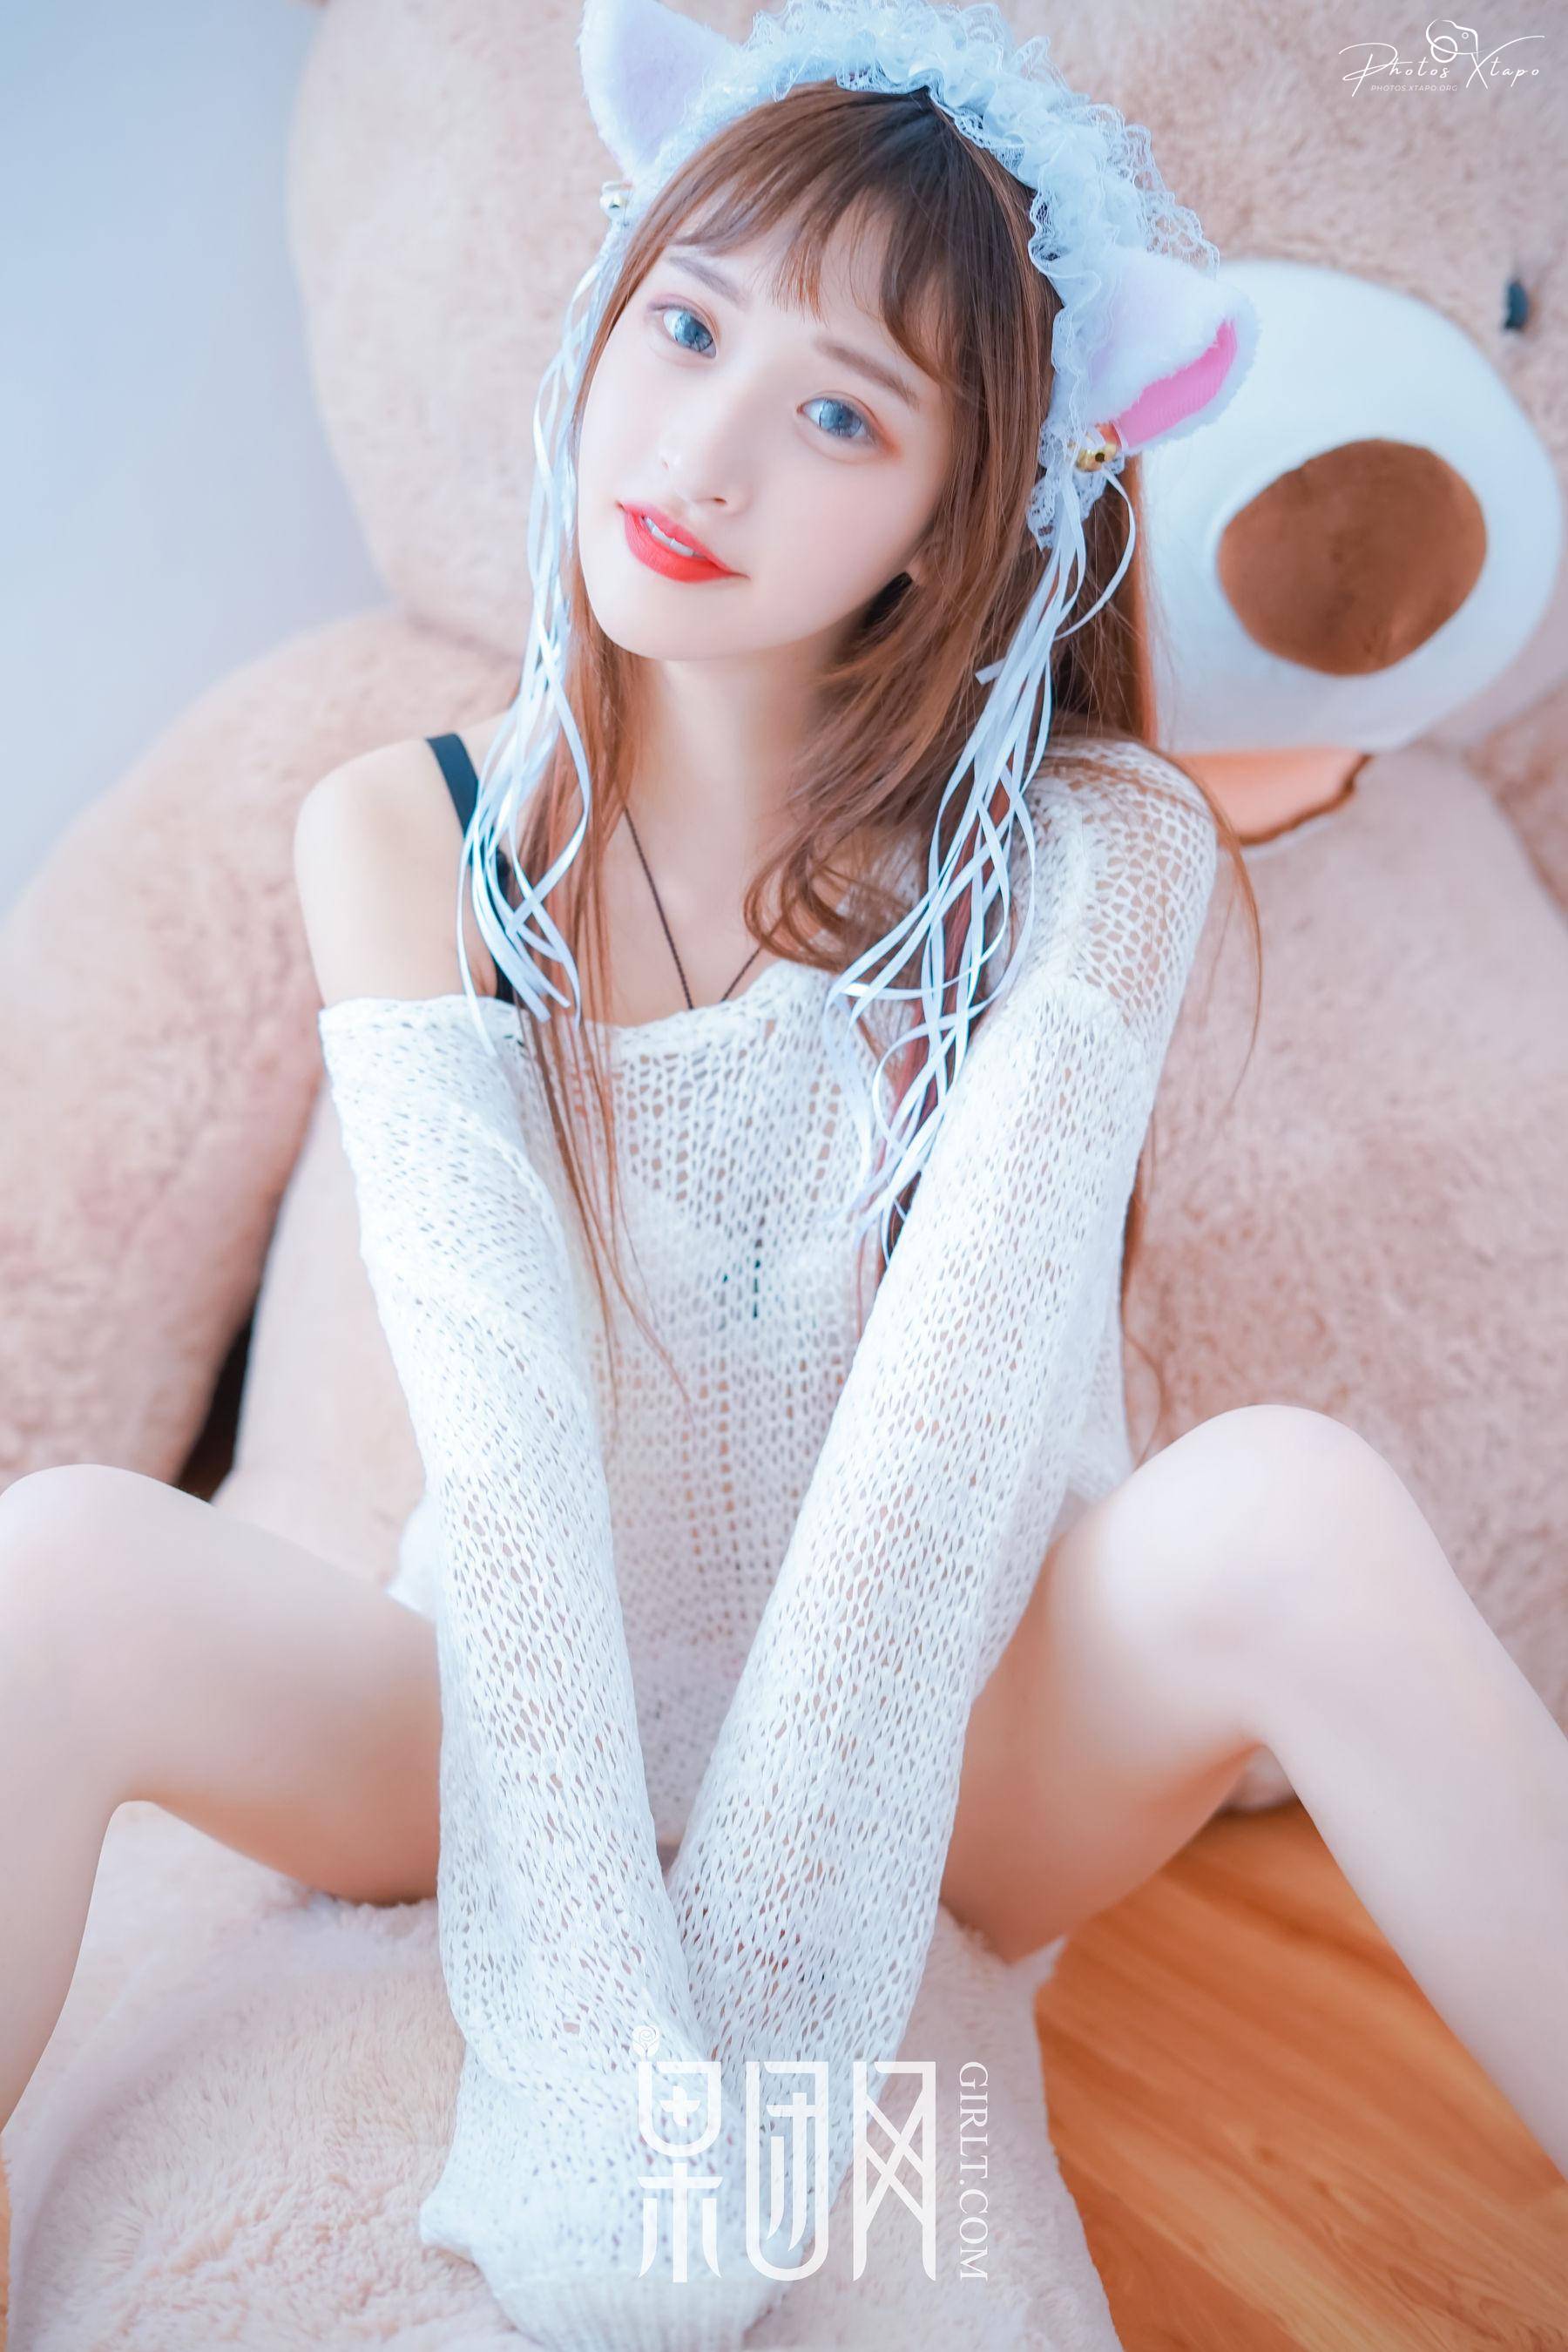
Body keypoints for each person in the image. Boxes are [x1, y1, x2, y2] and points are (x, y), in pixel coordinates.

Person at [3, 3, 1566, 2347]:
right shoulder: (403, 830)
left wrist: (741, 2046)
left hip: (939, 1728)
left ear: (952, 516)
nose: (704, 449)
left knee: (1295, 1511)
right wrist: (590, 2047)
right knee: (62, 1570)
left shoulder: (1087, 852)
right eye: (688, 320)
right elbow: (510, 1472)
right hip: (512, 1697)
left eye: (839, 408)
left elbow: (941, 1464)